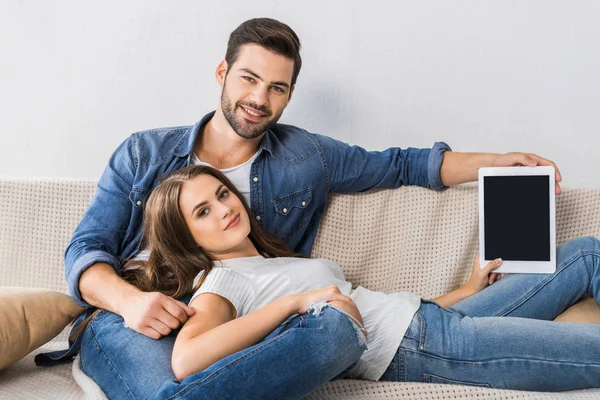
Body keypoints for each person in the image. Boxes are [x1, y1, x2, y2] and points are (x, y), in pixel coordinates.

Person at [43, 17, 565, 399]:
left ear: (289, 96)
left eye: (276, 88)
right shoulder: (144, 153)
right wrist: (128, 302)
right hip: (131, 318)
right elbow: (87, 249)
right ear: (222, 72)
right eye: (248, 78)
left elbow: (403, 165)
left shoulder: (305, 157)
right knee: (171, 393)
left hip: (250, 331)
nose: (258, 98)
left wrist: (499, 162)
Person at [122, 165, 600, 400]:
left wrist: (469, 288)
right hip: (422, 348)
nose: (225, 208)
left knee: (585, 253)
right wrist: (295, 303)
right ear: (185, 236)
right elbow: (186, 360)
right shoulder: (223, 281)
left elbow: (378, 305)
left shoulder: (266, 261)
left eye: (222, 193)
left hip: (437, 318)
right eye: (203, 212)